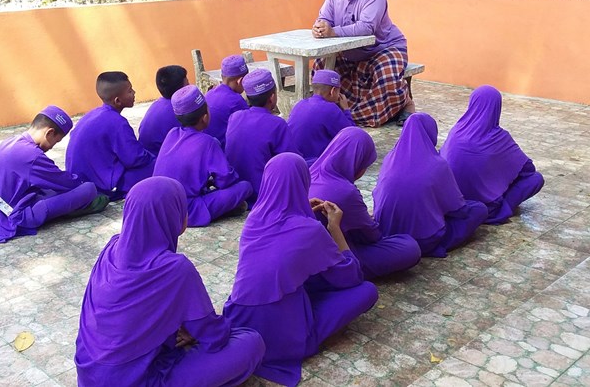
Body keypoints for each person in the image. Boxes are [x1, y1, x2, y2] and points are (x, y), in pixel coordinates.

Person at [74, 177, 265, 387]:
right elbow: (214, 336)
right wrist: (195, 330)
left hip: (88, 375)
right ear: (176, 217)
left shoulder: (110, 249)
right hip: (138, 381)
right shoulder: (176, 269)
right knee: (250, 342)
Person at [223, 153, 378, 386]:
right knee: (366, 291)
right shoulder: (309, 230)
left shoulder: (254, 219)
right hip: (286, 338)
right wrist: (335, 228)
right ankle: (307, 336)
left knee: (305, 275)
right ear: (304, 182)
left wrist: (301, 208)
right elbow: (352, 276)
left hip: (241, 319)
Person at [0, 106, 109, 243]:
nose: (52, 147)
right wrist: (81, 183)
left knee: (47, 188)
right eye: (56, 141)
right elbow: (66, 183)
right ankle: (75, 208)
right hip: (14, 216)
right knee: (88, 189)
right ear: (49, 133)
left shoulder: (11, 141)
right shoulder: (32, 155)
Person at [312, 0, 415, 127]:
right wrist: (320, 27)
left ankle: (403, 103)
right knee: (322, 66)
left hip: (383, 47)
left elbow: (367, 28)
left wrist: (333, 31)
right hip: (350, 50)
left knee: (386, 75)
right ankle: (329, 109)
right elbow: (325, 18)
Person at [309, 127, 420, 277]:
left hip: (306, 251)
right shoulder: (345, 191)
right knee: (409, 247)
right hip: (330, 257)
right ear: (358, 162)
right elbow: (372, 236)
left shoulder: (310, 171)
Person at [372, 113, 488, 257]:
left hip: (388, 231)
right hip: (424, 240)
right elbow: (459, 210)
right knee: (478, 209)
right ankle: (436, 244)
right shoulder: (438, 165)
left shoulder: (390, 159)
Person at [440, 85, 545, 224]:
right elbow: (528, 170)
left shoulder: (456, 131)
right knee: (536, 179)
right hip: (487, 205)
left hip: (451, 200)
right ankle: (501, 210)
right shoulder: (499, 138)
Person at [153, 85, 252, 227]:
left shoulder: (172, 133)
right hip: (188, 211)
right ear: (205, 118)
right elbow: (226, 180)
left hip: (162, 207)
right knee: (245, 187)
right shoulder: (208, 142)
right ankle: (222, 209)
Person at [66, 71, 155, 201]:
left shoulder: (92, 114)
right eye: (130, 91)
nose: (134, 92)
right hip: (96, 186)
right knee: (157, 166)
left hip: (79, 179)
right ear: (117, 101)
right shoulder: (117, 122)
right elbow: (134, 158)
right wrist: (153, 157)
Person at [225, 69, 298, 206]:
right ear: (272, 97)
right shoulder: (277, 124)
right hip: (265, 195)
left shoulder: (235, 117)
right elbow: (292, 163)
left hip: (239, 191)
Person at [288, 69, 356, 164]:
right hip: (314, 164)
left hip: (293, 162)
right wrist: (346, 110)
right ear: (333, 91)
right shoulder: (330, 109)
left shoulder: (300, 104)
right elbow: (353, 136)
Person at [138, 65, 189, 156]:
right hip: (157, 159)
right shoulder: (178, 110)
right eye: (187, 84)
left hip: (148, 154)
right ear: (181, 90)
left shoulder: (158, 104)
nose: (190, 86)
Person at [204, 54, 249, 148]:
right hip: (225, 150)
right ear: (240, 81)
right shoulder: (236, 102)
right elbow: (247, 129)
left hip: (208, 146)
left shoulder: (209, 94)